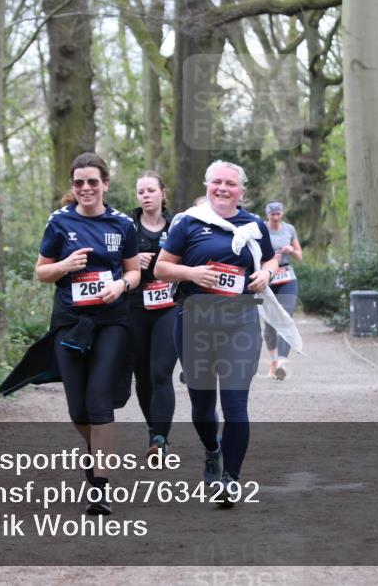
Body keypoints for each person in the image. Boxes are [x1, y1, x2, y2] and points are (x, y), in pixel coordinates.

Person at [155, 160, 300, 506]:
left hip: (240, 321)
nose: (223, 188)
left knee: (235, 404)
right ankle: (212, 450)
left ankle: (231, 478)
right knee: (202, 409)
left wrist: (266, 274)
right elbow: (161, 267)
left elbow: (270, 260)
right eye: (217, 182)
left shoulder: (254, 224)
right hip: (194, 321)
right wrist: (191, 274)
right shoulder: (188, 222)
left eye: (230, 183)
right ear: (207, 186)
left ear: (241, 191)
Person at [32, 152, 140, 515]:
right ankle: (98, 449)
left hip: (112, 321)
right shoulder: (59, 222)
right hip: (70, 322)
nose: (86, 188)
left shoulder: (122, 224)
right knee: (78, 409)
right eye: (79, 182)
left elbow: (134, 271)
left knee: (98, 400)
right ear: (73, 186)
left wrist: (121, 286)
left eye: (93, 181)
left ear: (105, 184)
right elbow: (42, 272)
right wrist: (64, 265)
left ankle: (100, 487)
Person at [127, 170, 178, 461]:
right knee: (143, 376)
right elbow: (108, 261)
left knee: (161, 372)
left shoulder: (178, 225)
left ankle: (160, 439)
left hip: (168, 306)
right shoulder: (126, 226)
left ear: (162, 193)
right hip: (135, 306)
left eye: (150, 190)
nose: (145, 196)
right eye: (141, 192)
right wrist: (133, 260)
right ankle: (152, 428)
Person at [262, 201, 303, 380]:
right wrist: (271, 257)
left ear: (282, 214)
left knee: (286, 317)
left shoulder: (289, 229)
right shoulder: (261, 229)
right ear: (267, 214)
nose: (276, 217)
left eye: (278, 214)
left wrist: (291, 250)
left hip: (287, 277)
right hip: (267, 277)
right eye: (273, 214)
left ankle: (282, 363)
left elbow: (299, 255)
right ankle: (274, 361)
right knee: (270, 323)